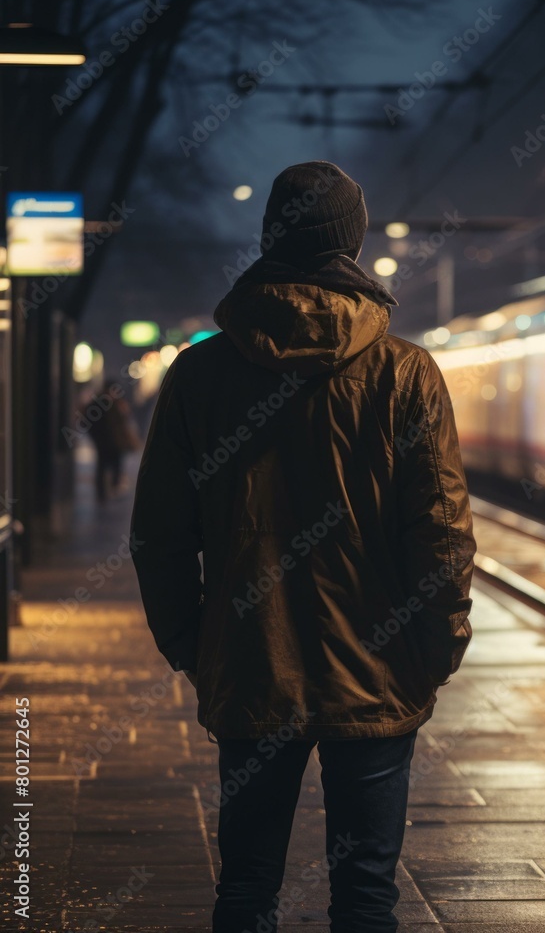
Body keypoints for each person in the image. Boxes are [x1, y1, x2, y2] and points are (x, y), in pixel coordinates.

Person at [131, 161, 476, 933]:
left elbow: (158, 532)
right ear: (351, 241)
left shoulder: (199, 375)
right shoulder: (406, 374)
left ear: (269, 237)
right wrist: (436, 646)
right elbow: (443, 530)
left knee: (248, 889)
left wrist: (196, 643)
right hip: (380, 668)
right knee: (365, 897)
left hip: (252, 661)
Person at [85, 380, 139, 503]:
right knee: (109, 464)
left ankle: (106, 491)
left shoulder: (108, 403)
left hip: (108, 441)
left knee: (107, 464)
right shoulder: (107, 403)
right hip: (108, 440)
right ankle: (107, 490)